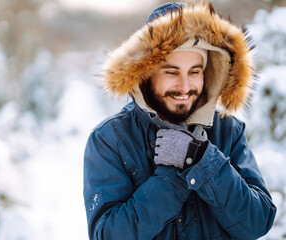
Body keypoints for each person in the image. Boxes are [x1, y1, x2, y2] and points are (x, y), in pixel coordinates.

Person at [83, 2, 276, 240]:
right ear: (145, 74)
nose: (185, 87)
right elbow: (108, 235)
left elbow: (258, 221)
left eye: (194, 72)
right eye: (171, 72)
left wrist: (200, 160)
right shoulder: (111, 139)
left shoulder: (227, 130)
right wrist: (171, 177)